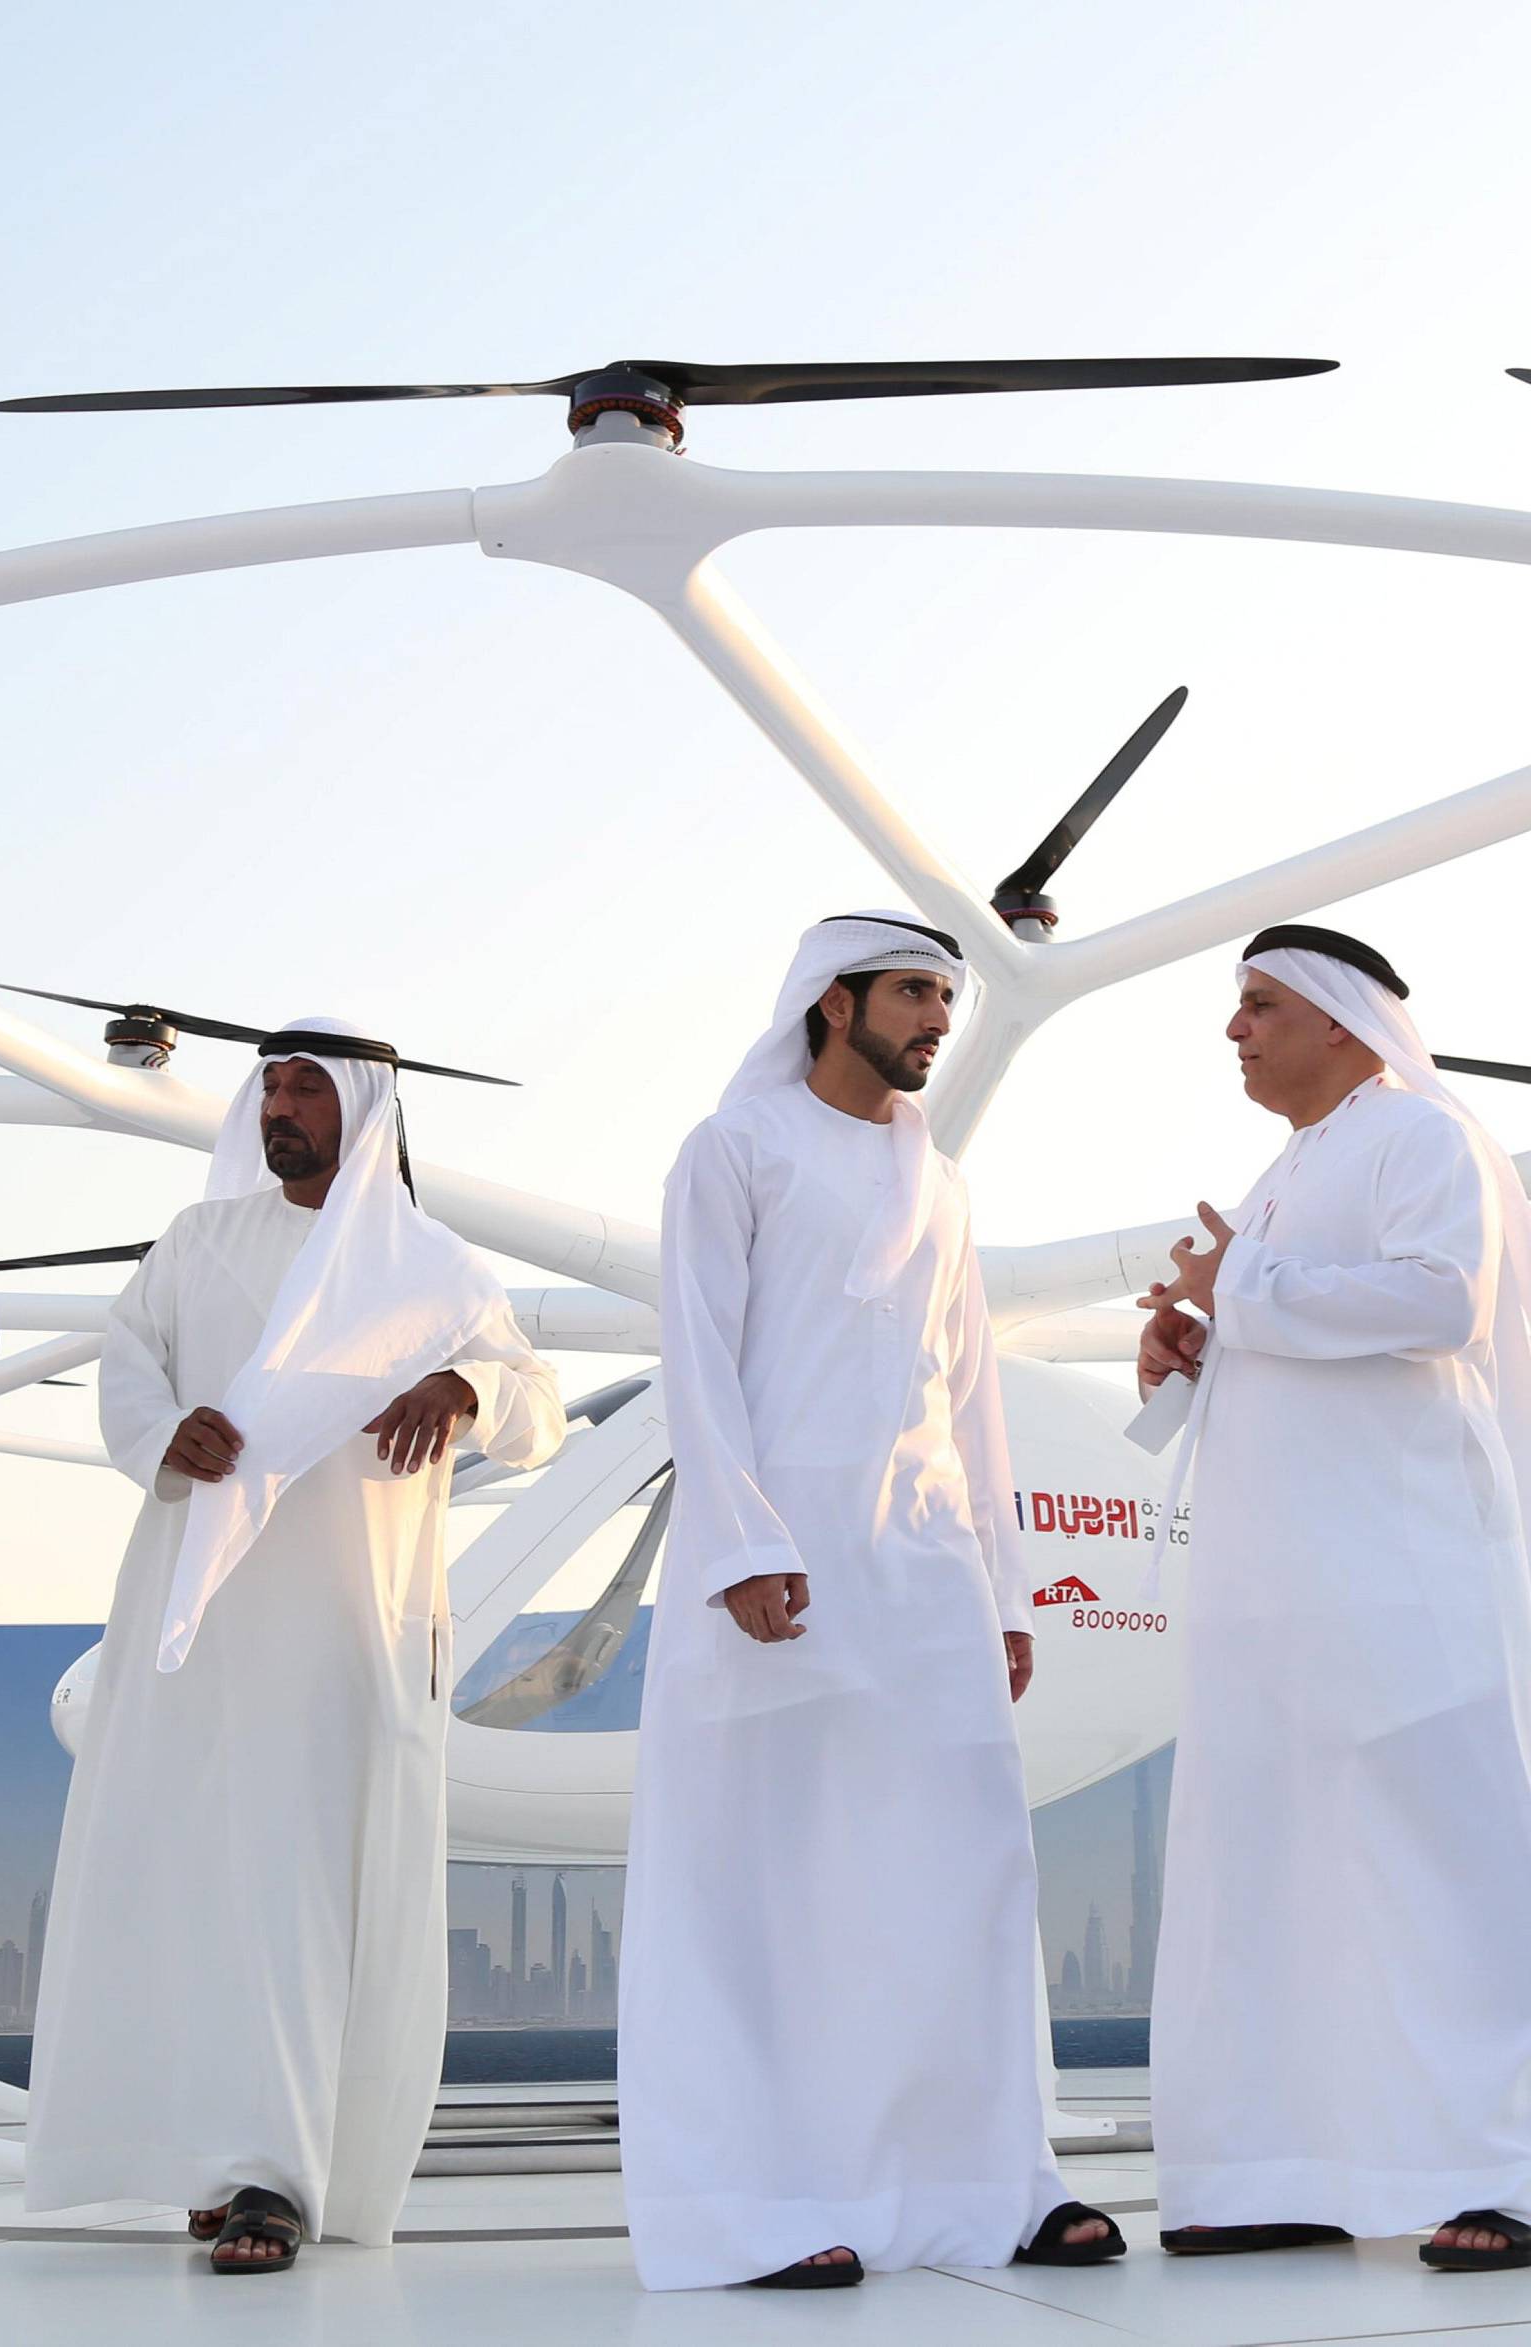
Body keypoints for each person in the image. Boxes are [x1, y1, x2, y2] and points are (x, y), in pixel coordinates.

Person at [619, 913, 1119, 2292]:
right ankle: (756, 2203)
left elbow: (971, 1395)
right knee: (767, 1883)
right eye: (914, 992)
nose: (938, 1019)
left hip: (925, 1568)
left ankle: (998, 2184)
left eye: (948, 996)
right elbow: (698, 1358)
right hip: (778, 1566)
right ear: (833, 1003)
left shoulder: (940, 1180)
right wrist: (737, 1541)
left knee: (963, 1865)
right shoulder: (734, 1149)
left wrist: (1004, 1583)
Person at [24, 1017, 565, 2273]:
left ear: (363, 1111)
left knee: (311, 1890)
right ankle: (222, 2160)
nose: (281, 1107)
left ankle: (280, 2170)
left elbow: (534, 1407)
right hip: (202, 1623)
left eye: (307, 1088)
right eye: (269, 1087)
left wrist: (462, 1391)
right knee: (207, 1884)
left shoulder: (430, 1265)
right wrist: (165, 1431)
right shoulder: (197, 1243)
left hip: (353, 1629)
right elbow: (127, 1365)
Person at [1140, 923, 1531, 2271]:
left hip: (1395, 1572)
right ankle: (1277, 2164)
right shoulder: (1287, 1169)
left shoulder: (1419, 1136)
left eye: (1257, 1005)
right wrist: (1185, 1339)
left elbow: (1438, 1301)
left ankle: (1505, 2163)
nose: (1235, 1030)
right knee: (1269, 1861)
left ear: (1340, 1020)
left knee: (1442, 1860)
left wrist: (1234, 1288)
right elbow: (1279, 1325)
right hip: (1270, 1591)